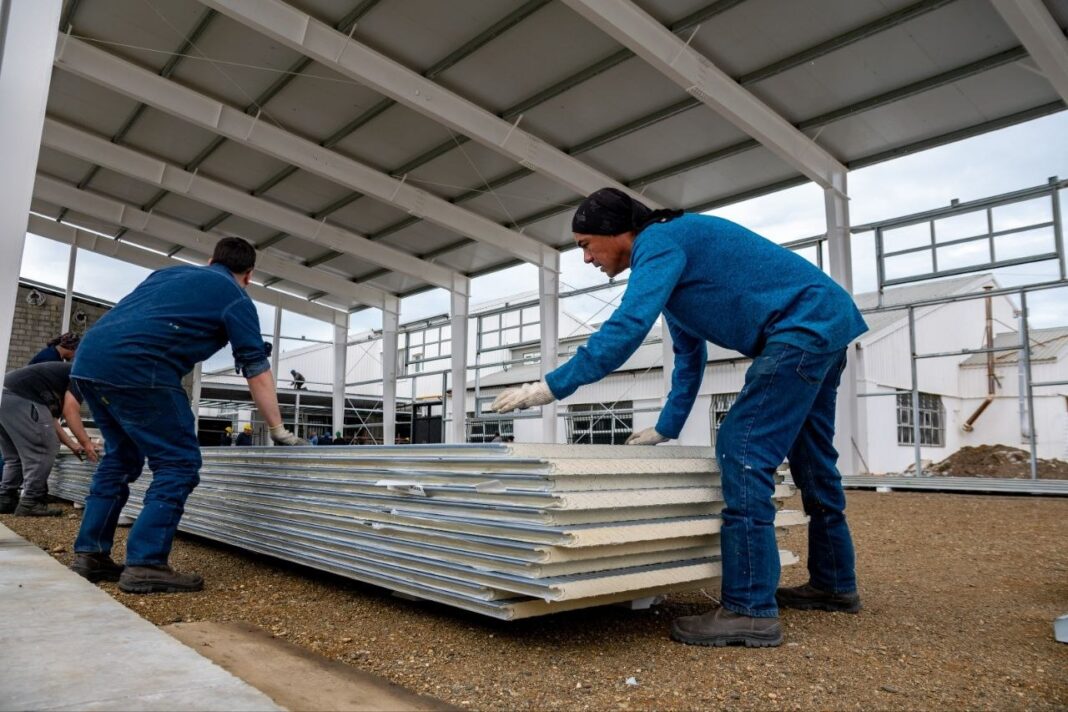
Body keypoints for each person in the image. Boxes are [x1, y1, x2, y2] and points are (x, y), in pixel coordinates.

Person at [492, 188, 868, 648]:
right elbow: (690, 357)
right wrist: (665, 427)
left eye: (586, 244)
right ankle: (834, 585)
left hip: (802, 331)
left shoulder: (660, 243)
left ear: (619, 233)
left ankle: (750, 610)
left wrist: (550, 386)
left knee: (742, 448)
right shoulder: (675, 265)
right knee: (811, 459)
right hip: (826, 326)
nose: (587, 258)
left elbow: (627, 327)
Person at [68, 237, 306, 592]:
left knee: (120, 459)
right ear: (249, 275)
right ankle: (146, 563)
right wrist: (277, 428)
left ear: (210, 260)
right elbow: (256, 370)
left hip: (87, 362)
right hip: (139, 369)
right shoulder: (236, 297)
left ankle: (91, 554)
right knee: (178, 463)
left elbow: (153, 319)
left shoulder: (168, 275)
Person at [0, 362, 98, 516]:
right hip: (20, 398)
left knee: (15, 457)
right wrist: (86, 442)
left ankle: (5, 498)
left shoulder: (55, 378)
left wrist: (73, 444)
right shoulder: (84, 374)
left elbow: (49, 421)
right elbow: (70, 411)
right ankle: (31, 502)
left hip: (5, 395)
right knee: (43, 450)